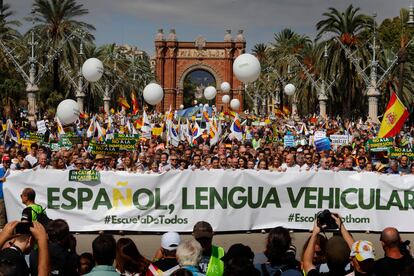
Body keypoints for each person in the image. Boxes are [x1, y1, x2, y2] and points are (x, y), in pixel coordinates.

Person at [0, 155, 11, 228]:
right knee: (1, 213)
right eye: (6, 162)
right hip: (1, 195)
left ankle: (3, 228)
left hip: (7, 196)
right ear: (3, 162)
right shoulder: (0, 170)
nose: (7, 163)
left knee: (5, 213)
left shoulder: (11, 171)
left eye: (8, 162)